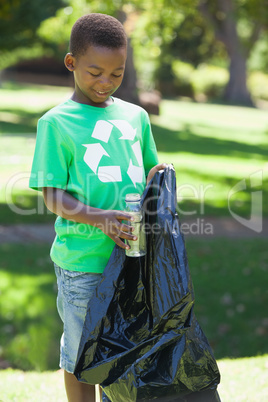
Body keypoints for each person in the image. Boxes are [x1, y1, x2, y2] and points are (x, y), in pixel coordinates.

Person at [29, 13, 165, 402]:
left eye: (116, 74)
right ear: (71, 63)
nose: (105, 83)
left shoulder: (135, 116)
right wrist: (100, 218)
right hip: (83, 264)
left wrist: (163, 180)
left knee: (126, 351)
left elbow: (148, 172)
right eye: (95, 73)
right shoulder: (56, 124)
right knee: (82, 355)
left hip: (133, 257)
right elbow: (52, 196)